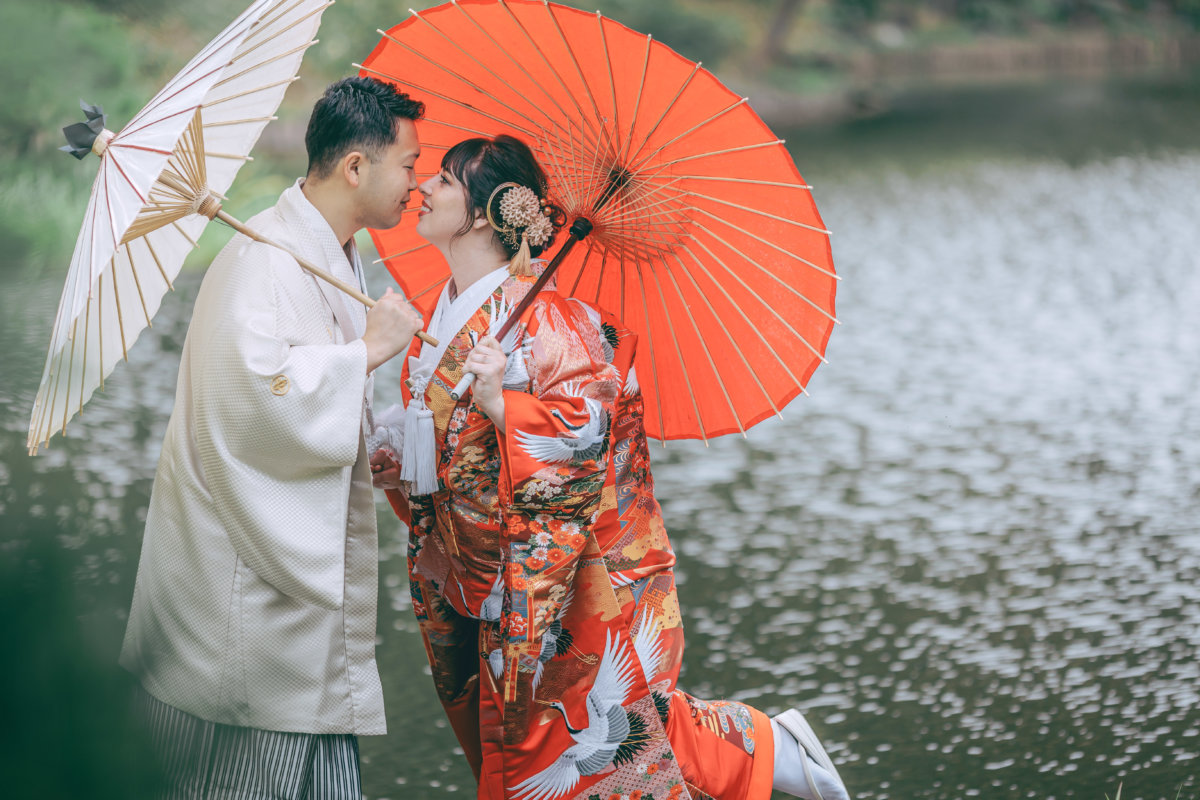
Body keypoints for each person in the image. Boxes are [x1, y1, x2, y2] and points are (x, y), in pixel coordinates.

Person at [372, 134, 851, 800]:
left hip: (562, 570)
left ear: (486, 212)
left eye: (447, 180)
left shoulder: (554, 324)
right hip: (476, 568)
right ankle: (769, 752)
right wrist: (398, 463)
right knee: (563, 741)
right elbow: (452, 453)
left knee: (584, 742)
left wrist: (505, 407)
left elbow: (589, 437)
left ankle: (761, 746)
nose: (425, 187)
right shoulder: (451, 320)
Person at [118, 76, 426, 799]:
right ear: (356, 167)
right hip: (246, 587)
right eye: (410, 164)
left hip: (292, 580)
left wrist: (375, 438)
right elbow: (256, 403)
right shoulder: (264, 260)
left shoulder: (325, 251)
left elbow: (312, 396)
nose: (418, 181)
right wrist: (367, 354)